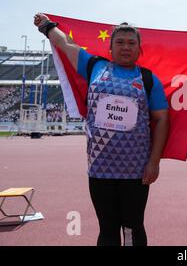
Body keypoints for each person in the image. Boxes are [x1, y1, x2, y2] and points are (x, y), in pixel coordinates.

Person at [34, 13, 169, 246]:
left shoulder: (147, 79)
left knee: (132, 227)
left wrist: (154, 161)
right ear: (110, 47)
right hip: (100, 168)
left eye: (131, 43)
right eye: (120, 42)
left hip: (135, 171)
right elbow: (65, 44)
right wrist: (47, 27)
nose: (125, 47)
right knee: (107, 227)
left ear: (139, 49)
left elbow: (163, 120)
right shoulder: (94, 66)